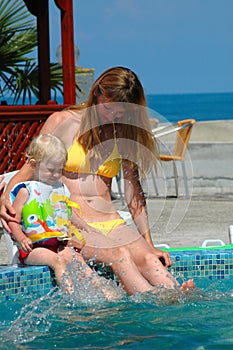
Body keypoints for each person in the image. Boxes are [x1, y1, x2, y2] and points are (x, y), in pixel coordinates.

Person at [0, 66, 194, 296]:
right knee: (120, 255)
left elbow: (133, 192)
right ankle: (154, 303)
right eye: (108, 108)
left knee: (150, 260)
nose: (112, 116)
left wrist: (148, 241)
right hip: (73, 224)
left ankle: (177, 298)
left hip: (110, 221)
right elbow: (29, 169)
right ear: (96, 93)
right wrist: (5, 197)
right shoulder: (63, 122)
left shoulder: (122, 132)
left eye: (120, 113)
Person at [6, 133, 118, 298]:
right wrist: (22, 238)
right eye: (51, 170)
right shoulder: (25, 191)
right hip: (33, 249)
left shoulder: (59, 189)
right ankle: (72, 299)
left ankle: (107, 293)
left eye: (59, 170)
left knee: (78, 259)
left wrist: (85, 227)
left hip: (57, 244)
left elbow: (67, 212)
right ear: (34, 165)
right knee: (58, 262)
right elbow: (13, 221)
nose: (55, 175)